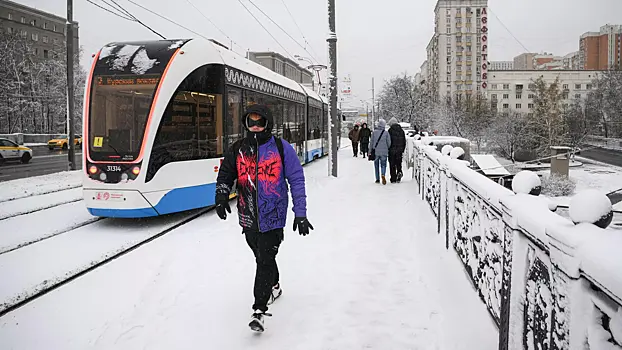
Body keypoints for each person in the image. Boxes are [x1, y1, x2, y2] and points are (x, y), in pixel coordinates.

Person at [214, 104, 314, 333]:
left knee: (264, 259)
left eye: (260, 122)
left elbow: (296, 180)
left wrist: (300, 212)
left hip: (274, 215)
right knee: (262, 255)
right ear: (246, 124)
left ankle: (259, 310)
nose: (256, 126)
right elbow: (226, 173)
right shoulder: (237, 148)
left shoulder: (281, 148)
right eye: (251, 122)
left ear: (268, 123)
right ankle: (275, 285)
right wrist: (221, 195)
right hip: (248, 217)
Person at [370, 118, 391, 185]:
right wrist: (387, 148)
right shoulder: (386, 133)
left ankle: (377, 179)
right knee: (383, 164)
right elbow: (389, 143)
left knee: (376, 165)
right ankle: (383, 174)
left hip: (376, 152)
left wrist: (370, 151)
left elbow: (371, 142)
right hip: (384, 152)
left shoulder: (374, 132)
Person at [388, 118, 407, 183]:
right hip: (399, 151)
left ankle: (393, 178)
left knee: (392, 164)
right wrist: (402, 149)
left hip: (392, 150)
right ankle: (399, 172)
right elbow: (404, 141)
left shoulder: (390, 131)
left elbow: (388, 141)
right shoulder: (401, 131)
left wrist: (388, 148)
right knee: (399, 163)